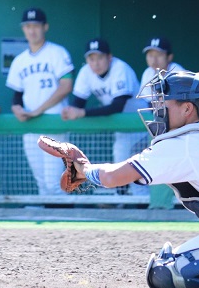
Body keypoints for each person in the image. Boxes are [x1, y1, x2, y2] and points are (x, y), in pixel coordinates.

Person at [73, 70, 199, 288]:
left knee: (165, 270)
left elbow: (112, 177)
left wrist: (83, 169)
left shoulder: (182, 143)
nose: (157, 109)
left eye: (165, 102)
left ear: (187, 108)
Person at [61, 38, 146, 195]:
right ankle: (127, 198)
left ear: (109, 57)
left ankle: (137, 200)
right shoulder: (86, 72)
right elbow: (78, 103)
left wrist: (81, 113)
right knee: (125, 162)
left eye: (100, 57)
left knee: (136, 163)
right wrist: (71, 110)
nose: (96, 63)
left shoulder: (121, 69)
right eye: (91, 59)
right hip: (123, 128)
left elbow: (117, 106)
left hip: (142, 123)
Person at [5, 7, 74, 196]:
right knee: (41, 182)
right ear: (23, 29)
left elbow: (66, 85)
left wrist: (39, 110)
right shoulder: (20, 61)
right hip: (30, 125)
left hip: (54, 121)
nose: (32, 30)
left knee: (54, 182)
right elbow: (16, 95)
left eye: (36, 25)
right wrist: (17, 108)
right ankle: (50, 223)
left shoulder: (57, 53)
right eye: (28, 26)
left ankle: (64, 219)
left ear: (45, 27)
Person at [139, 36, 185, 102]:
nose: (154, 60)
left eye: (159, 55)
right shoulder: (148, 72)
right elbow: (148, 101)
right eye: (150, 55)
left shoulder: (178, 72)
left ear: (169, 57)